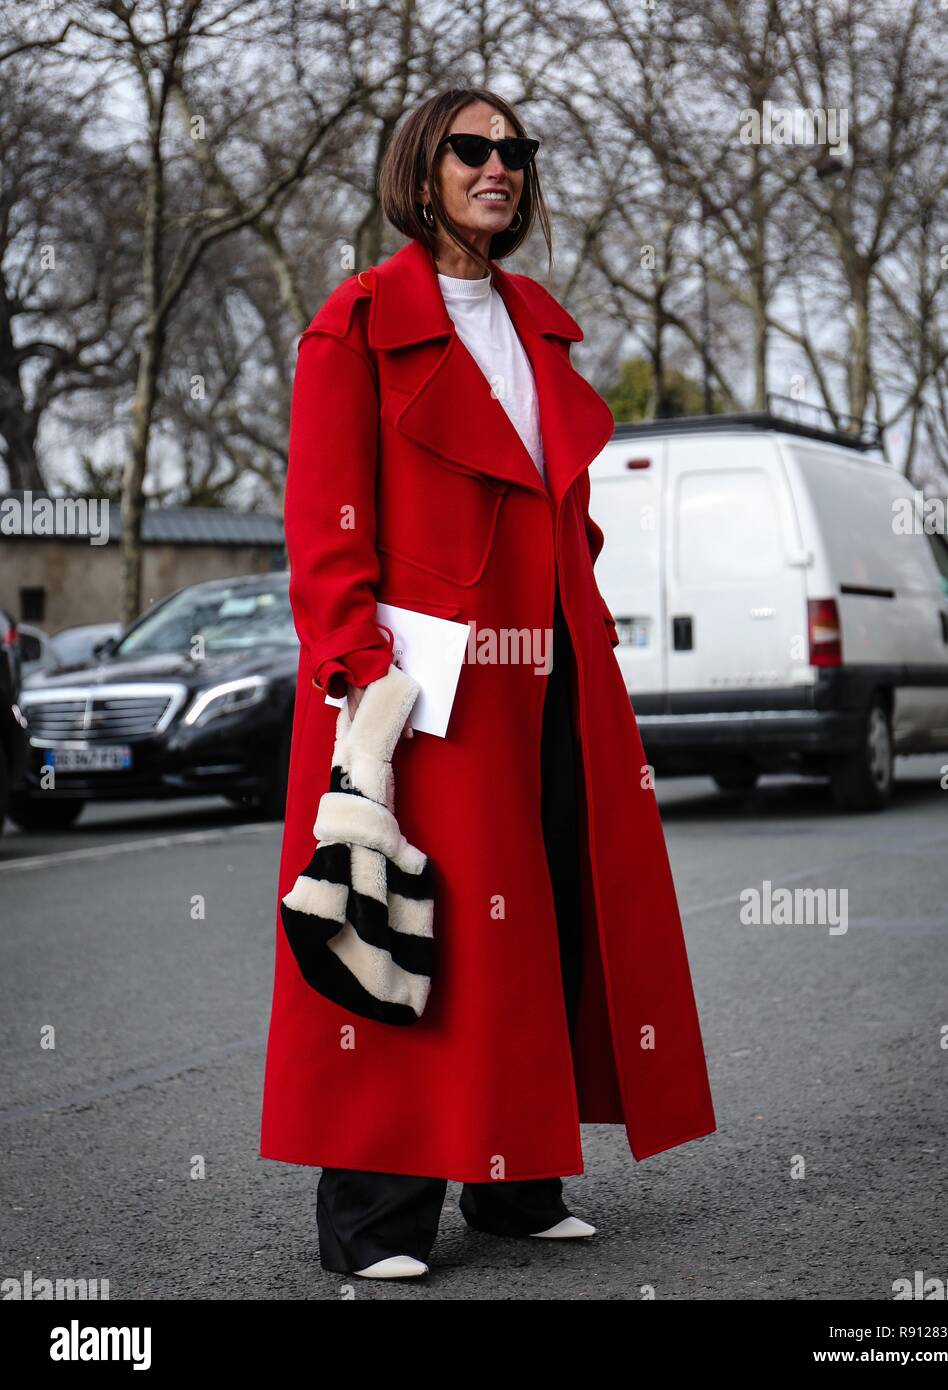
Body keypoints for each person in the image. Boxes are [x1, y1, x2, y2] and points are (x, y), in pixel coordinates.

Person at [260, 87, 716, 1280]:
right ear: (420, 168)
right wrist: (360, 689)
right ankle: (372, 1221)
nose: (497, 166)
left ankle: (515, 1185)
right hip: (421, 694)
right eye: (472, 148)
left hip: (548, 681)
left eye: (514, 152)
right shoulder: (353, 324)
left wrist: (583, 627)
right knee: (414, 929)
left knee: (545, 920)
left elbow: (562, 515)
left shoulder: (535, 329)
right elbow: (323, 533)